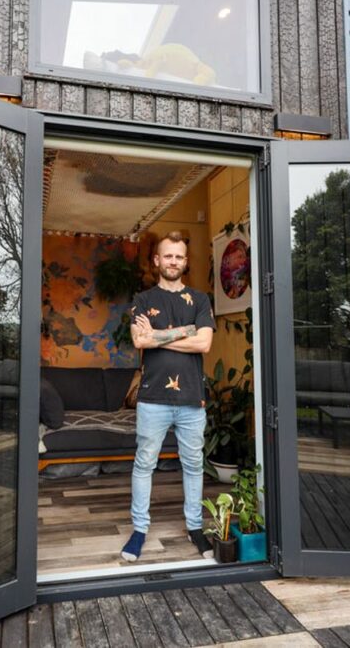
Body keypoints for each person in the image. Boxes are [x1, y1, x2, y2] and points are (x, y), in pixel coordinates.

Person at [121, 231, 215, 562]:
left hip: (191, 398)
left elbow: (204, 344)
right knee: (144, 464)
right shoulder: (143, 300)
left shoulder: (200, 300)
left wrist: (158, 334)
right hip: (152, 399)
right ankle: (140, 530)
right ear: (157, 260)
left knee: (193, 465)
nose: (173, 261)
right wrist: (185, 331)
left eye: (179, 256)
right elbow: (139, 342)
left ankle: (195, 528)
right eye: (168, 256)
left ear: (185, 262)